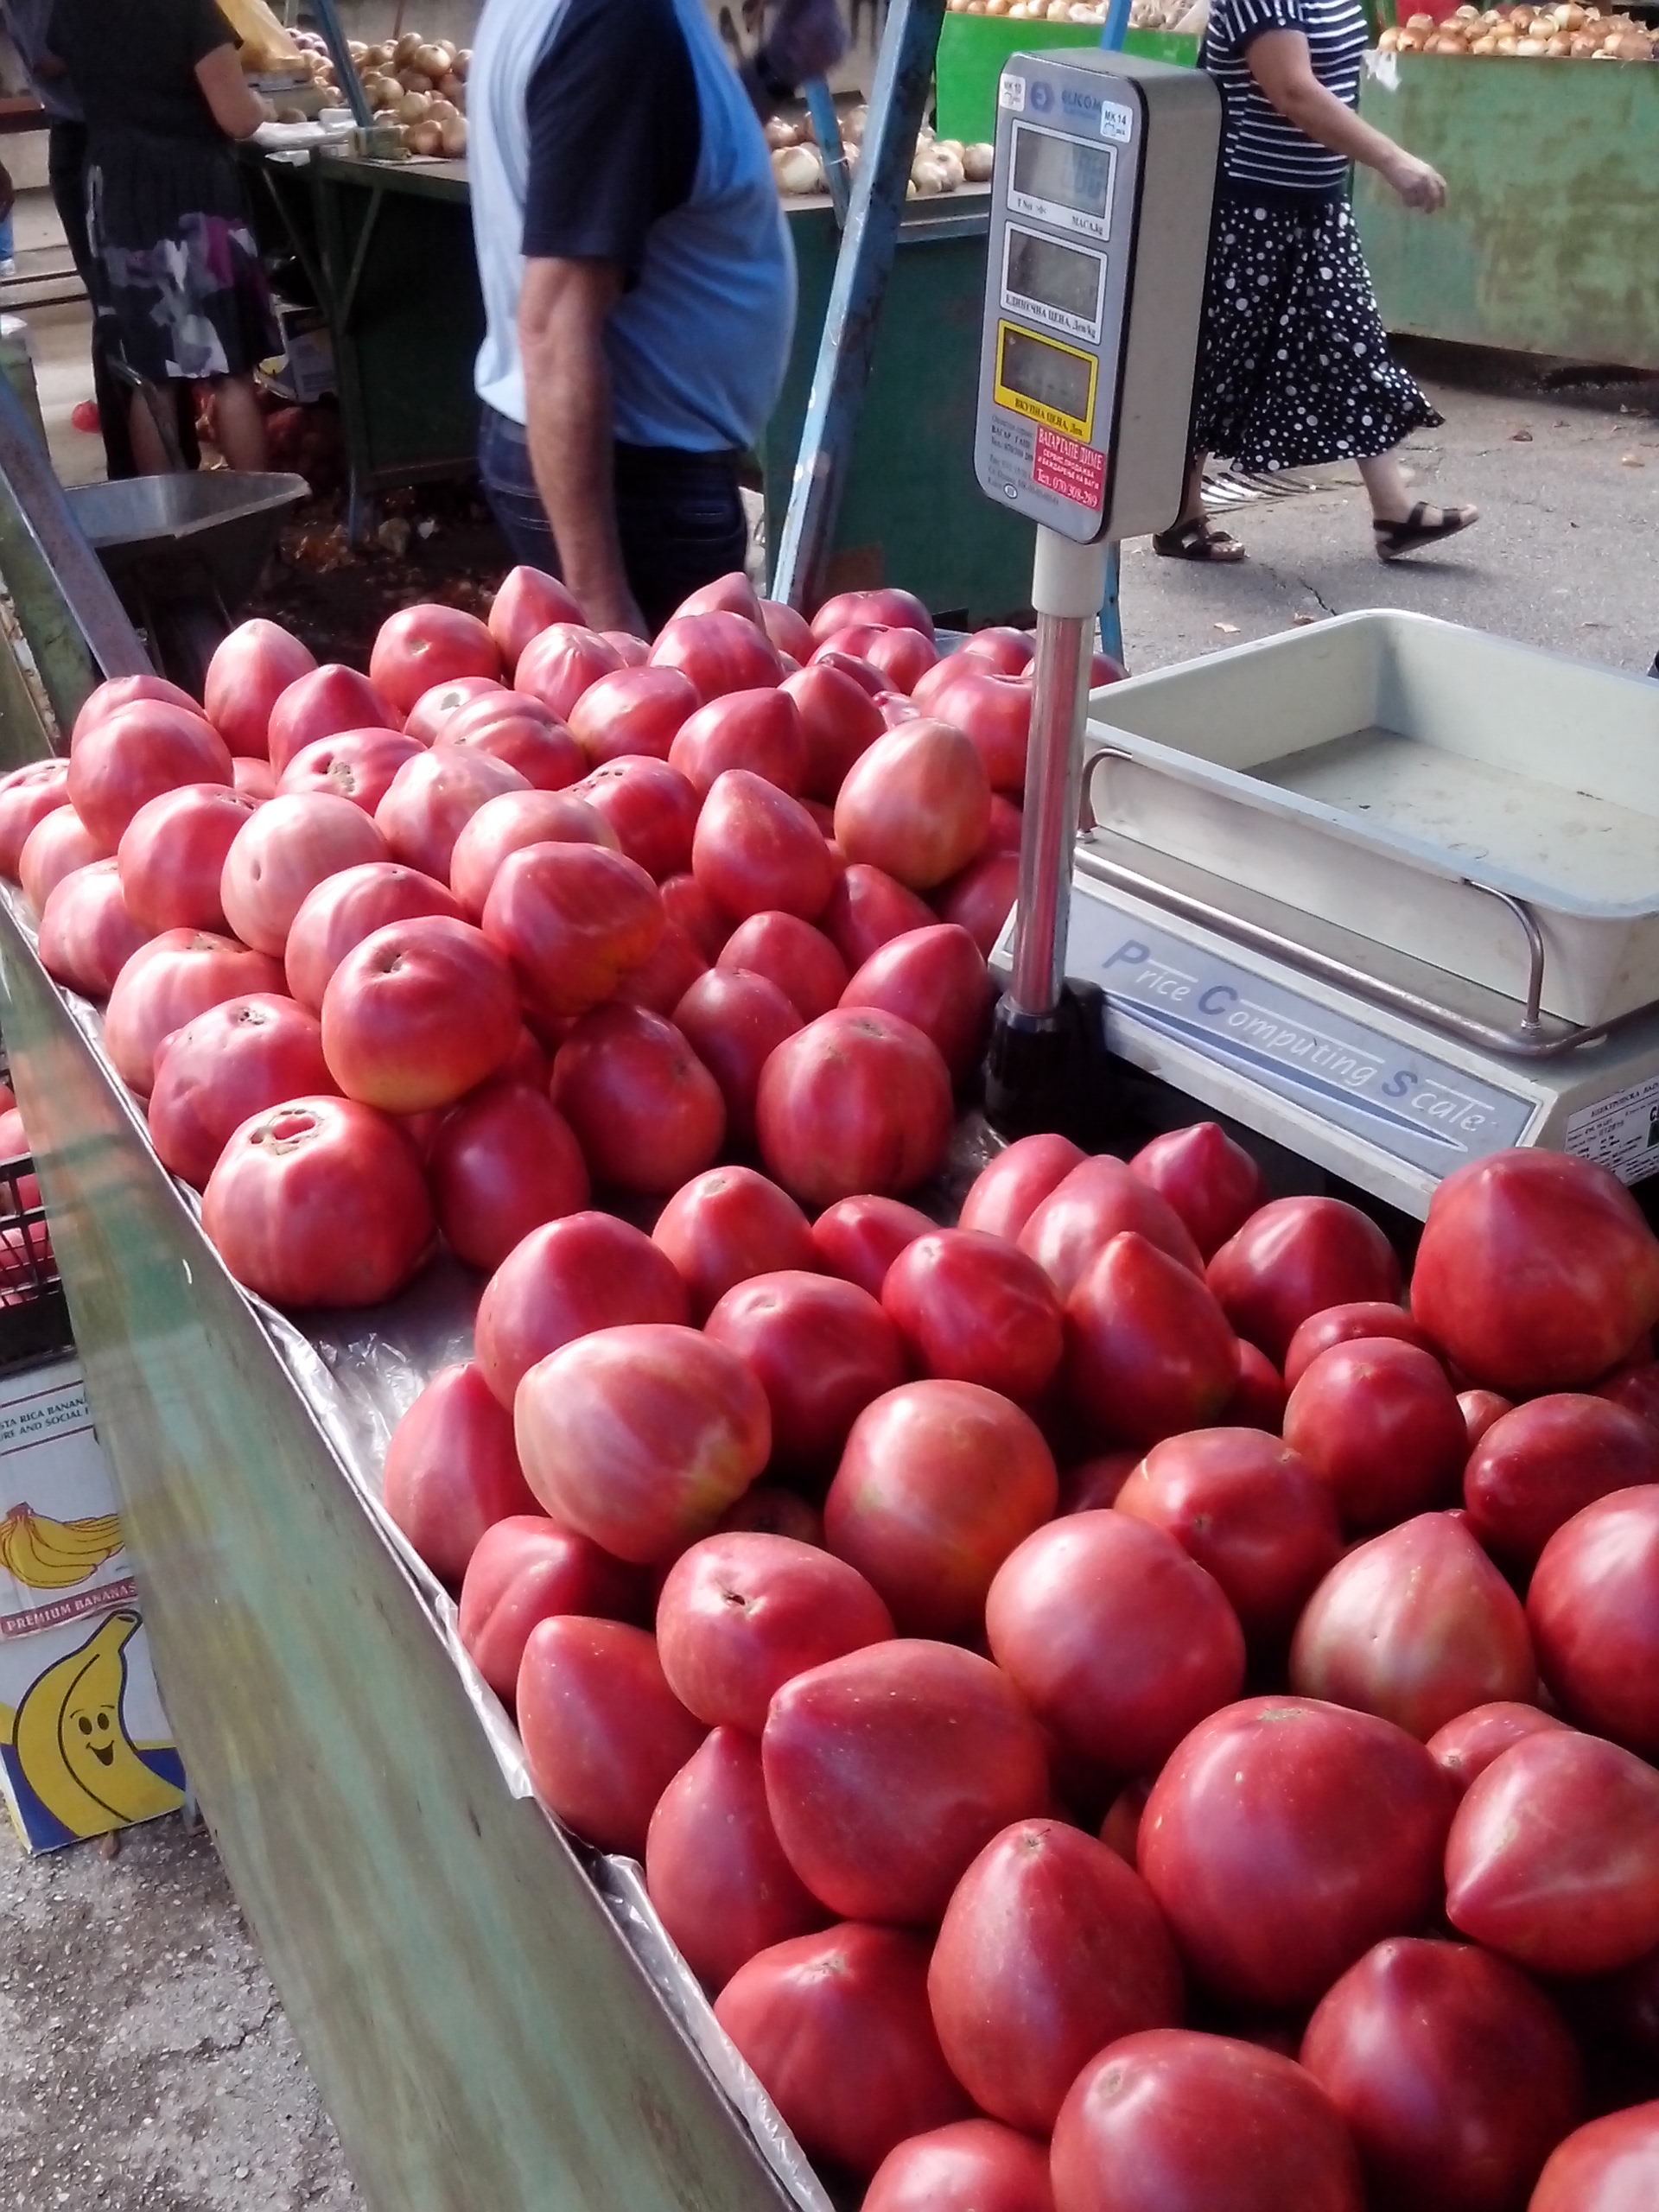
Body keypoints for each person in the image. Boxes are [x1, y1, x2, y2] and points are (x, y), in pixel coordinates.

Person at [469, 0, 845, 638]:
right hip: (636, 485)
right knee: (669, 728)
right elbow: (555, 325)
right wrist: (603, 614)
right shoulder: (620, 22)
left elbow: (668, 158)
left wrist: (777, 71)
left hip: (629, 471)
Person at [1154, 0, 1478, 563]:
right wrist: (1392, 159)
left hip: (1314, 206)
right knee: (1220, 363)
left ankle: (1393, 513)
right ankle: (1180, 515)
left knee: (1351, 348)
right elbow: (1292, 91)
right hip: (1247, 210)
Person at [43, 0, 274, 474]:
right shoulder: (189, 10)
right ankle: (259, 527)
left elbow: (59, 64)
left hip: (116, 191)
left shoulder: (73, 10)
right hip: (191, 195)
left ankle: (171, 529)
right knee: (228, 371)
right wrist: (266, 106)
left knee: (152, 375)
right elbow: (237, 118)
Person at [0, 0, 200, 475]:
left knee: (160, 316)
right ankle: (142, 485)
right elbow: (47, 56)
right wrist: (156, 39)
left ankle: (179, 475)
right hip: (92, 142)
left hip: (139, 137)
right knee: (125, 318)